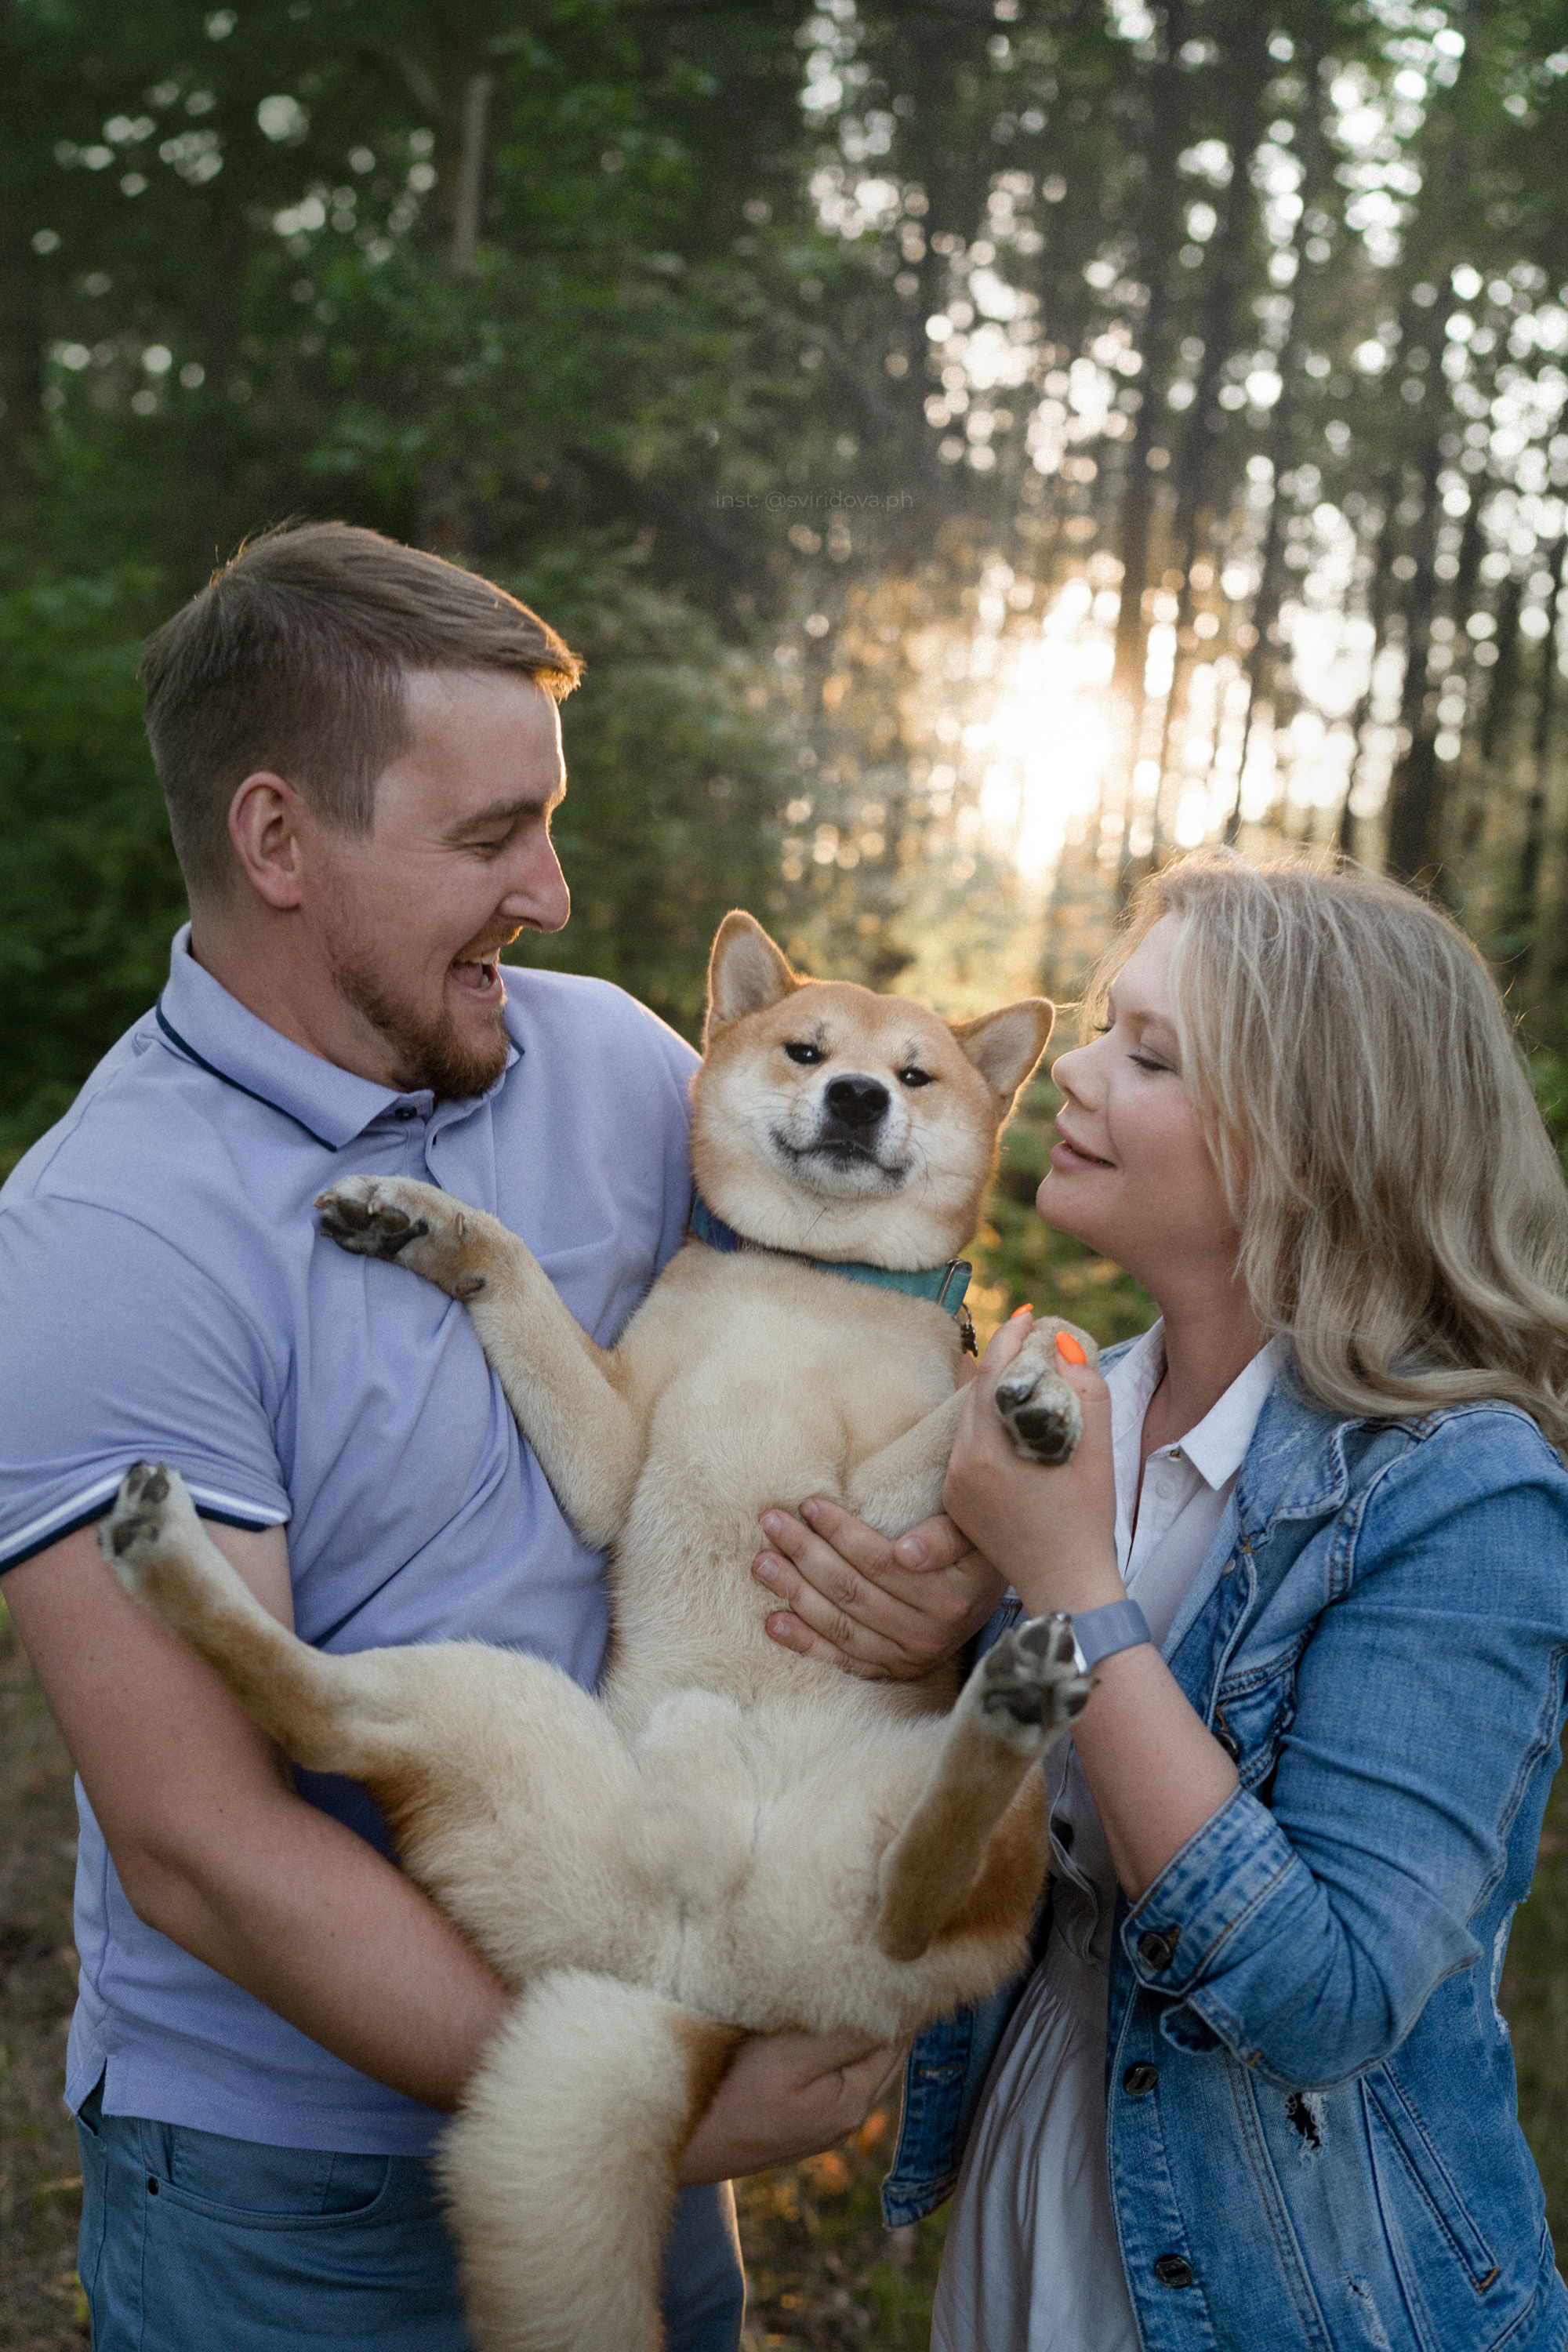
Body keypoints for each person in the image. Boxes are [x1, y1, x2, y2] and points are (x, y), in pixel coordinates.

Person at [0, 521, 994, 2352]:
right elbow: (205, 1842)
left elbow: (822, 1392)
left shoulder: (624, 1069)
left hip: (643, 2025)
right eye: (486, 839)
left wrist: (916, 1600)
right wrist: (645, 2097)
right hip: (300, 2194)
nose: (547, 890)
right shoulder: (109, 1236)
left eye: (544, 820)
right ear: (277, 840)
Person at [755, 851, 1568, 2352]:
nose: (1067, 1072)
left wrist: (1066, 1590)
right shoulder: (1058, 1406)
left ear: (1315, 1147)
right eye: (1102, 1028)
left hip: (1305, 2295)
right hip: (1033, 2221)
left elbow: (1322, 2001)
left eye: (1149, 1055)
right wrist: (952, 1652)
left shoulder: (1465, 1496)